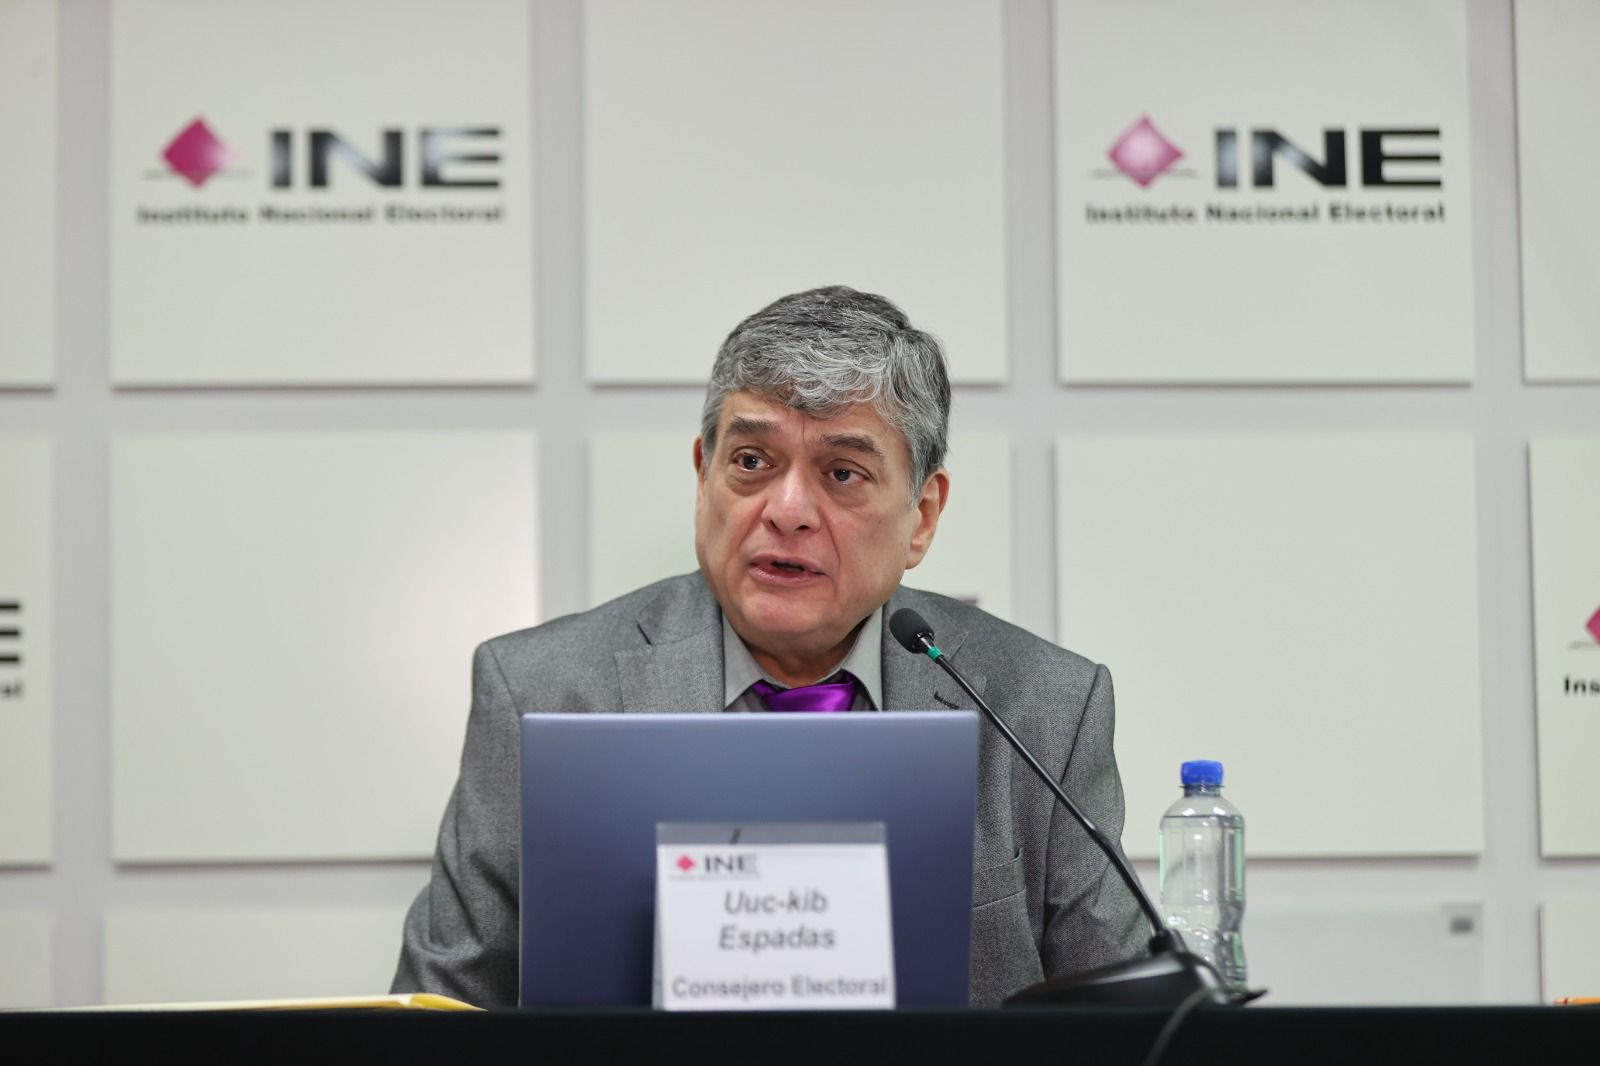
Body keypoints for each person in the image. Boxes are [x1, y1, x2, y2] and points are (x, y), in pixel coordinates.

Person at [392, 286, 1146, 1007]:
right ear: (703, 476)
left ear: (921, 516)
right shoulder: (538, 691)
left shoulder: (1044, 707)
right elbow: (439, 1014)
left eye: (842, 473)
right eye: (752, 461)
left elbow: (1137, 1026)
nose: (787, 511)